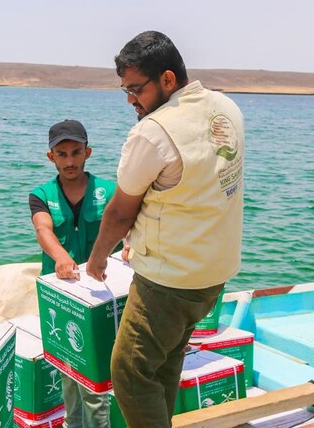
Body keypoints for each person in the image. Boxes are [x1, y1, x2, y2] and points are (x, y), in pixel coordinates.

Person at [86, 31, 245, 427]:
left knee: (129, 371)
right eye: (125, 90)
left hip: (169, 282)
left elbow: (121, 212)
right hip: (212, 277)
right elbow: (197, 187)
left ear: (168, 80)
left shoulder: (155, 131)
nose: (130, 100)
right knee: (164, 363)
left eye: (136, 89)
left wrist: (97, 256)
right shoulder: (227, 109)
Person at [29, 119, 113, 428]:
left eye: (76, 152)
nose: (70, 161)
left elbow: (129, 225)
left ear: (88, 152)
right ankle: (72, 423)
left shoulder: (110, 190)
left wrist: (130, 242)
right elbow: (42, 227)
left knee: (96, 377)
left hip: (101, 293)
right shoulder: (41, 194)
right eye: (61, 154)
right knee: (68, 367)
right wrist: (61, 257)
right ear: (51, 157)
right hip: (61, 294)